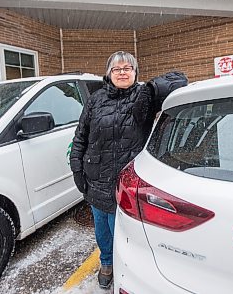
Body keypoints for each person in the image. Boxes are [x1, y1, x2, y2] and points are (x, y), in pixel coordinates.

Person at [69, 51, 187, 289]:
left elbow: (180, 80)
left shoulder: (142, 98)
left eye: (127, 68)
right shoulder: (96, 99)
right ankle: (107, 263)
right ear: (108, 73)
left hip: (126, 184)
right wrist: (77, 169)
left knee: (125, 236)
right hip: (96, 179)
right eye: (116, 69)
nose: (122, 72)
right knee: (102, 232)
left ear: (135, 72)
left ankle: (127, 270)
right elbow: (81, 136)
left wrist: (152, 88)